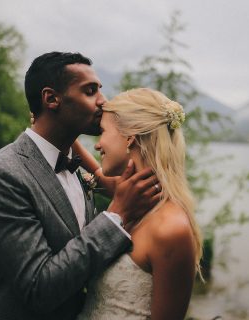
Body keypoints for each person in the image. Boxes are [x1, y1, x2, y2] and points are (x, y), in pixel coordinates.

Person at [0, 52, 160, 320]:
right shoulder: (0, 176)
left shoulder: (75, 166)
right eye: (90, 91)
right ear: (51, 99)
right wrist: (116, 216)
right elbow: (38, 288)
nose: (104, 102)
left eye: (100, 90)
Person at [77, 88, 203, 320]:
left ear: (129, 137)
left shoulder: (170, 228)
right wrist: (65, 135)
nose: (98, 144)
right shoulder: (133, 197)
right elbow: (99, 174)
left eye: (103, 132)